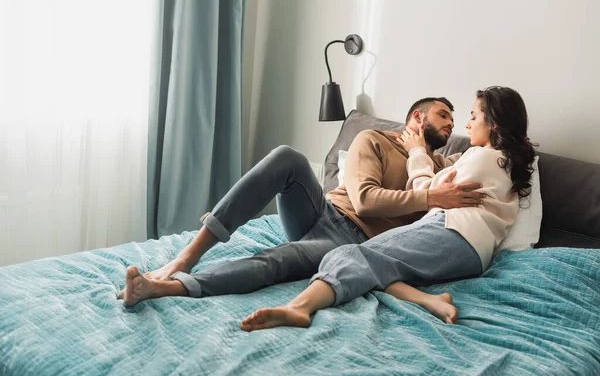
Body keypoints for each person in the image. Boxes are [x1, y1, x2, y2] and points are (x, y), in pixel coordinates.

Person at [119, 97, 486, 309]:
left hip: (353, 244)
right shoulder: (373, 139)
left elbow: (487, 159)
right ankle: (187, 255)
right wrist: (429, 197)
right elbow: (365, 200)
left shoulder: (439, 167)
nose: (451, 125)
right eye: (443, 116)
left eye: (456, 120)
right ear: (417, 117)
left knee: (278, 261)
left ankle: (167, 287)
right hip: (326, 211)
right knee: (287, 157)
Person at [240, 86, 536, 331]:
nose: (466, 124)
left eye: (473, 116)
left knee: (347, 254)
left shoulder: (482, 157)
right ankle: (431, 301)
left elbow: (427, 193)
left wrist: (417, 152)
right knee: (379, 265)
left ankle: (299, 308)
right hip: (475, 255)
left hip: (451, 231)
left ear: (494, 123)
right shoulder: (508, 166)